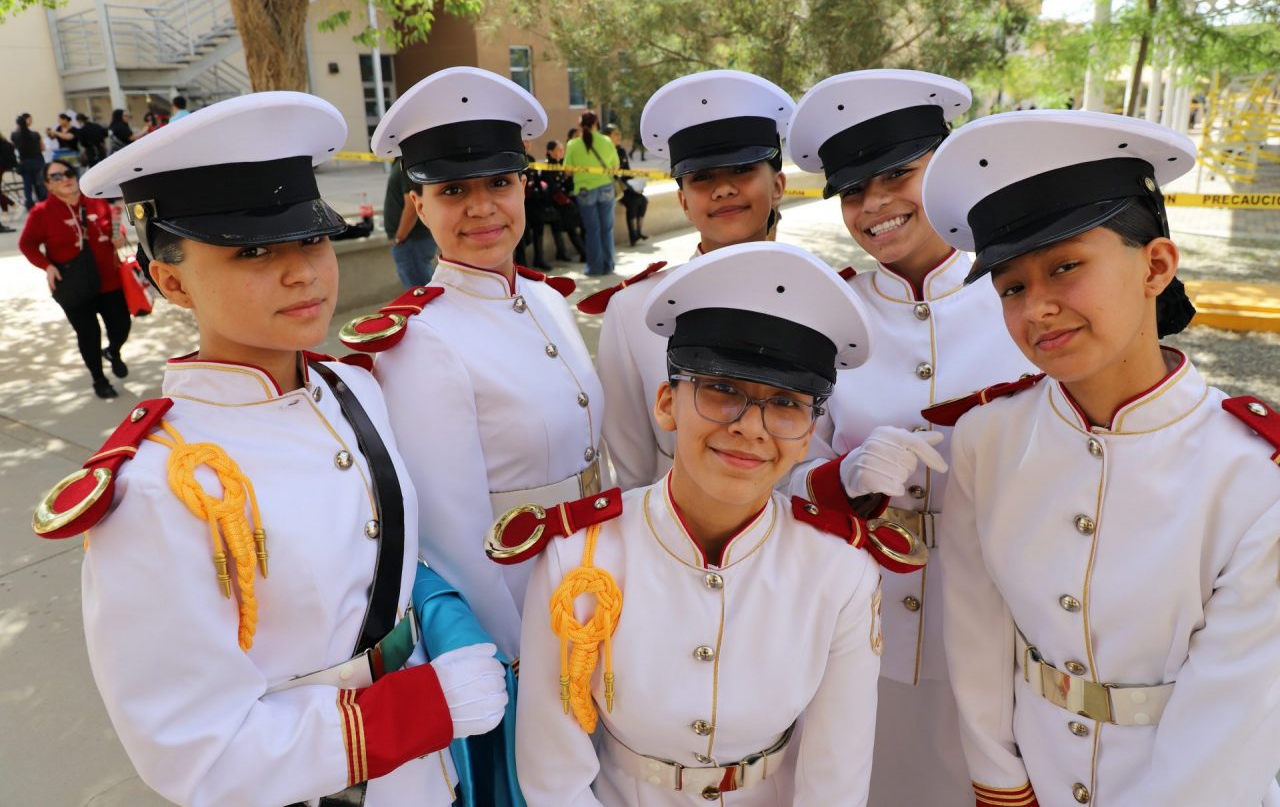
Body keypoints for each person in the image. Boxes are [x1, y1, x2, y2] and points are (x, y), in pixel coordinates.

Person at [34, 91, 509, 807]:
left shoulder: (352, 389)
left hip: (426, 777)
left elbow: (381, 565)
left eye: (312, 239)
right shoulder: (156, 485)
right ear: (170, 281)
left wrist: (446, 626)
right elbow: (195, 750)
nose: (303, 272)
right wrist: (418, 710)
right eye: (253, 251)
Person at [921, 110, 1280, 806]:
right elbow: (975, 629)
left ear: (1156, 265)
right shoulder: (987, 440)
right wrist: (1000, 782)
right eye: (1012, 287)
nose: (1038, 308)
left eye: (1066, 267)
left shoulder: (1251, 474)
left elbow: (1236, 711)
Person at [499, 242, 920, 805]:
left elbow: (836, 772)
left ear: (808, 435)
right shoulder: (579, 555)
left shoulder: (839, 568)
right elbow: (553, 772)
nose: (751, 427)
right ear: (666, 403)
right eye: (722, 390)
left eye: (786, 404)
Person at [784, 70, 1036, 807]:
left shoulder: (1018, 297)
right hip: (861, 622)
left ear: (946, 171)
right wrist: (841, 476)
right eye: (851, 191)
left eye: (898, 174)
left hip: (1003, 619)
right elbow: (779, 469)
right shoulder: (828, 315)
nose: (873, 205)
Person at [344, 66, 606, 659]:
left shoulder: (545, 298)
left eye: (499, 183)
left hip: (601, 578)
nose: (482, 207)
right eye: (453, 191)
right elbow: (454, 540)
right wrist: (513, 659)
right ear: (419, 206)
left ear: (524, 187)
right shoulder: (422, 340)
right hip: (528, 608)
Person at [586, 70, 794, 490]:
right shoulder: (634, 310)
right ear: (683, 201)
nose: (723, 189)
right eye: (702, 178)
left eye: (742, 169)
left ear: (778, 186)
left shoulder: (823, 300)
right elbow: (631, 469)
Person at [19, 159, 131, 398]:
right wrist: (47, 266)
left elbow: (113, 226)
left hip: (109, 280)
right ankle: (99, 380)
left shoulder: (95, 201)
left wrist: (119, 235)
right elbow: (26, 244)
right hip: (73, 285)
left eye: (68, 173)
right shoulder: (41, 212)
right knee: (89, 334)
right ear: (48, 185)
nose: (65, 178)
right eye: (56, 176)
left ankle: (113, 351)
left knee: (122, 325)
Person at [564, 110, 620, 275]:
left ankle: (594, 268)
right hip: (605, 188)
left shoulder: (573, 144)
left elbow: (567, 170)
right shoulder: (606, 141)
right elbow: (616, 167)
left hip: (584, 190)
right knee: (607, 229)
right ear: (596, 123)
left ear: (580, 125)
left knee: (592, 230)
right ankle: (608, 265)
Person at [384, 155, 439, 287]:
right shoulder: (403, 161)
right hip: (411, 241)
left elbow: (412, 206)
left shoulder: (407, 162)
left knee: (420, 292)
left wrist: (399, 238)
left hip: (411, 241)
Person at [543, 139, 585, 262]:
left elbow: (568, 185)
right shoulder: (547, 167)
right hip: (555, 203)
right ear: (550, 152)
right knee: (570, 223)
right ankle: (582, 252)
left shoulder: (562, 165)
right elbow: (553, 189)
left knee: (578, 220)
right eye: (559, 150)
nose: (562, 152)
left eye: (562, 150)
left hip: (565, 202)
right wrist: (567, 201)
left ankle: (579, 251)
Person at [607, 123, 649, 246]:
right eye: (615, 134)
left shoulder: (621, 150)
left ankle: (639, 232)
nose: (619, 136)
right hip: (615, 188)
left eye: (619, 134)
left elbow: (627, 171)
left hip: (626, 185)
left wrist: (636, 184)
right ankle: (633, 235)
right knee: (632, 203)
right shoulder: (607, 151)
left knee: (643, 200)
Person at [516, 138, 551, 270]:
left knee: (539, 223)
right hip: (520, 202)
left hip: (532, 201)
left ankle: (539, 258)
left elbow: (537, 179)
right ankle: (522, 264)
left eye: (528, 141)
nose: (526, 144)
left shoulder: (531, 159)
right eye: (523, 141)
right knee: (521, 230)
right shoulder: (513, 158)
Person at [12, 112, 47, 209]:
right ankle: (44, 202)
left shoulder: (14, 135)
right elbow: (43, 148)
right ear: (27, 122)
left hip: (24, 163)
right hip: (37, 161)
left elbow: (14, 147)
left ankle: (29, 204)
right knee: (40, 184)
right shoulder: (35, 134)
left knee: (27, 185)